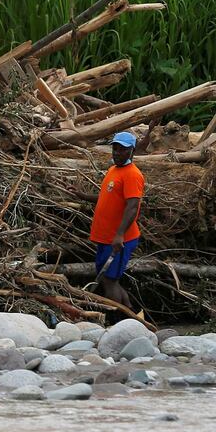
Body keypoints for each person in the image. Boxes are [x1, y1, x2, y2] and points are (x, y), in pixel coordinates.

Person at [86, 131, 146, 310]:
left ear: (132, 151)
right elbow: (108, 197)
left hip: (120, 239)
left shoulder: (132, 175)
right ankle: (130, 317)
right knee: (109, 280)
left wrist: (119, 235)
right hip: (106, 237)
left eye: (123, 149)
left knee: (110, 280)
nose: (117, 153)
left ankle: (115, 321)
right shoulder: (114, 170)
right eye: (115, 148)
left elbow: (132, 206)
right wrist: (80, 194)